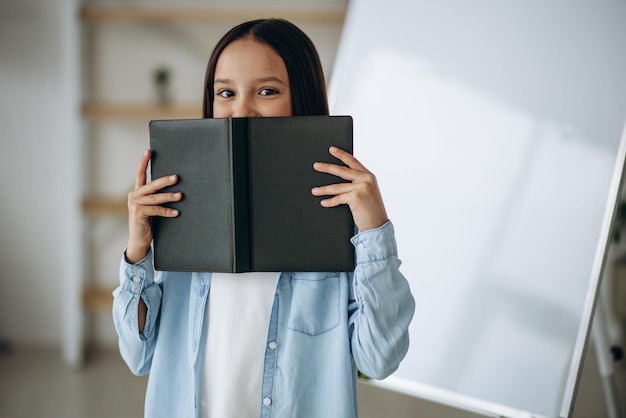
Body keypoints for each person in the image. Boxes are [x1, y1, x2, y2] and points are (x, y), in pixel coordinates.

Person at [113, 18, 415, 418]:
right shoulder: (183, 209)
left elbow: (378, 359)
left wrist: (375, 230)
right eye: (225, 92)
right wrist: (138, 253)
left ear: (302, 99)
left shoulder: (339, 220)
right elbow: (138, 356)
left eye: (268, 91)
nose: (241, 111)